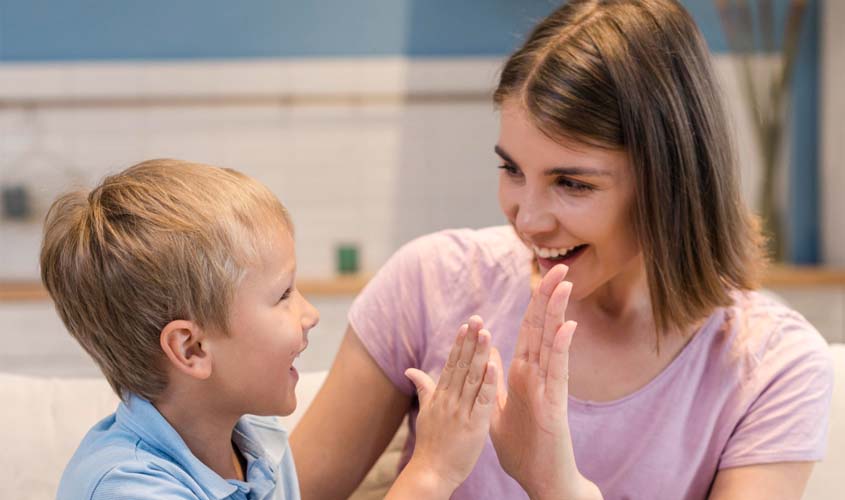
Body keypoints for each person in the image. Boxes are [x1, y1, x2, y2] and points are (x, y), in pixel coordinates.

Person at [290, 1, 835, 499]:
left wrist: (557, 484)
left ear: (671, 183)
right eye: (511, 169)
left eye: (572, 183)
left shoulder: (773, 366)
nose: (527, 219)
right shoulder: (430, 284)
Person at [43, 159, 499, 500]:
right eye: (283, 295)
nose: (310, 314)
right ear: (192, 348)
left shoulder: (259, 447)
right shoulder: (125, 487)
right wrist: (432, 471)